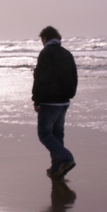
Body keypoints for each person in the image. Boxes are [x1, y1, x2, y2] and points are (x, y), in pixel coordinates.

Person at [32, 26, 78, 179]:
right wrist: (70, 94)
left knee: (45, 134)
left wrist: (36, 99)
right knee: (57, 135)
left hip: (49, 101)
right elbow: (74, 76)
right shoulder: (66, 53)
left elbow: (40, 78)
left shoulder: (46, 53)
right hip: (64, 101)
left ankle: (66, 158)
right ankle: (57, 166)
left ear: (44, 38)